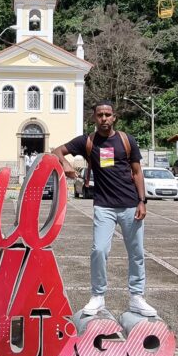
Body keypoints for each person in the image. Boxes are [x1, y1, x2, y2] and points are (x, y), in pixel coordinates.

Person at [52, 100, 155, 317]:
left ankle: (137, 297)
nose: (104, 118)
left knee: (136, 253)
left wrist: (142, 201)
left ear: (114, 117)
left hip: (130, 205)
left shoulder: (126, 140)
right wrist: (66, 164)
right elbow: (56, 151)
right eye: (100, 115)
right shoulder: (87, 141)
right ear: (94, 118)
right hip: (103, 206)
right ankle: (98, 296)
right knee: (99, 250)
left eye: (108, 114)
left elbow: (137, 172)